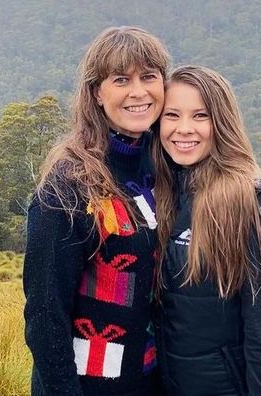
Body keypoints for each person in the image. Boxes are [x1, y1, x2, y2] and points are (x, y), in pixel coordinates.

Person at [152, 65, 261, 396]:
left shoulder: (248, 204)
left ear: (222, 123)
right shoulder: (167, 194)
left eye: (200, 116)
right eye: (172, 115)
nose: (184, 129)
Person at [23, 26, 170, 396]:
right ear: (97, 94)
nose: (138, 92)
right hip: (88, 386)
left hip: (154, 379)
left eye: (149, 77)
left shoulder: (164, 167)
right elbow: (44, 313)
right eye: (121, 79)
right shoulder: (67, 186)